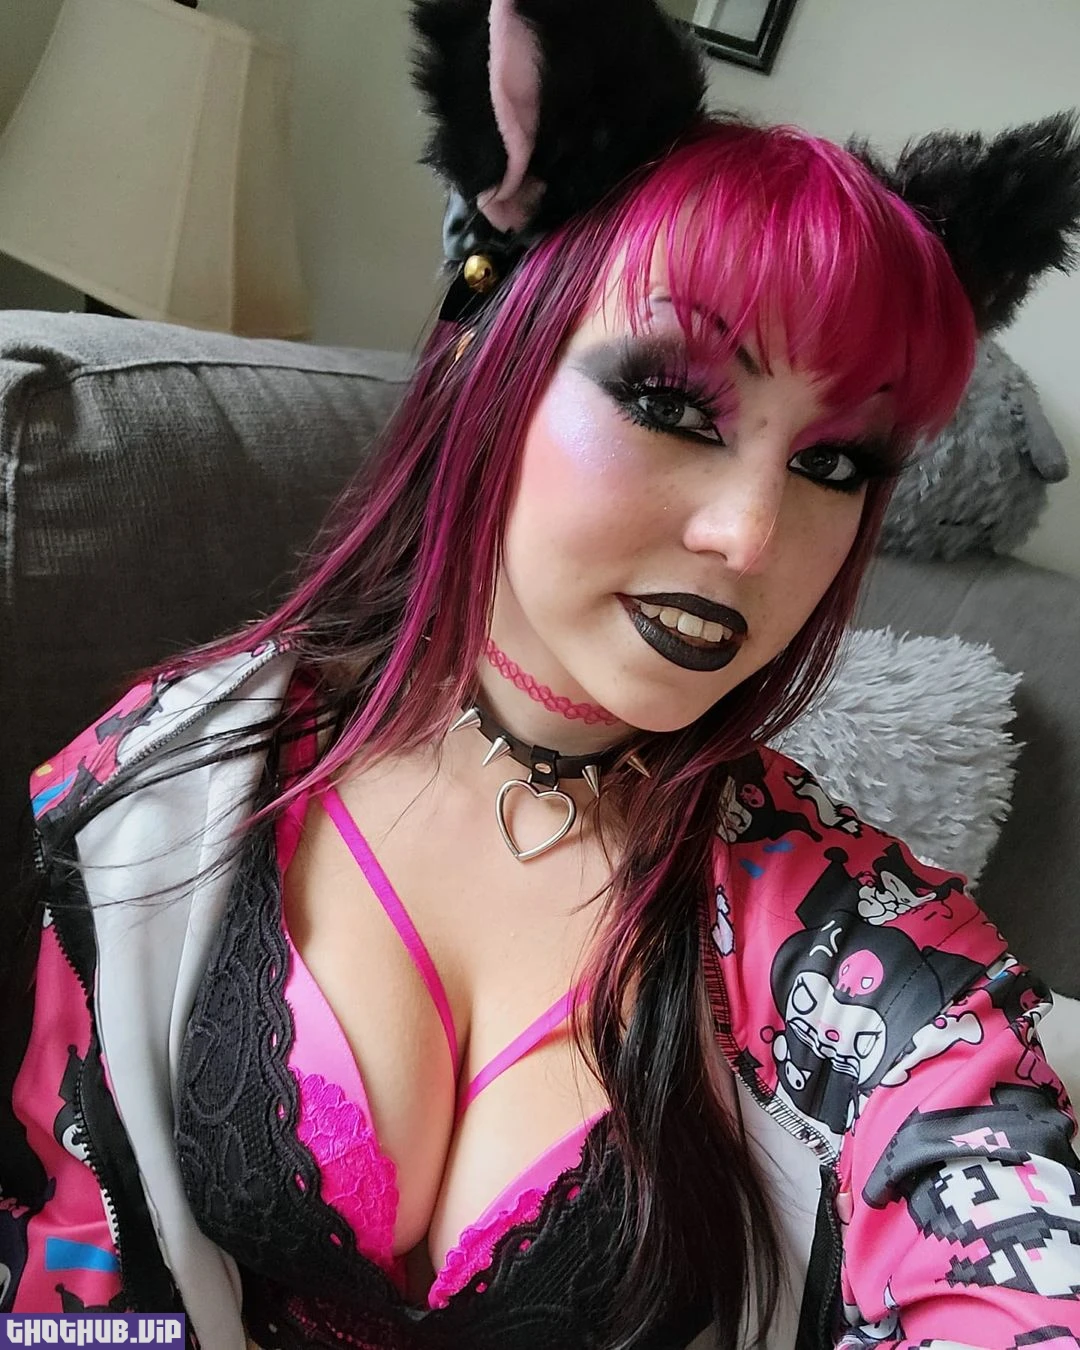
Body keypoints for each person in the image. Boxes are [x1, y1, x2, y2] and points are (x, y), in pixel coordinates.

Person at [3, 2, 1080, 1347]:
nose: (753, 535)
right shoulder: (157, 786)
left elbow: (997, 1219)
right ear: (492, 363)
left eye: (832, 462)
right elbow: (59, 1266)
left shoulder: (855, 943)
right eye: (673, 405)